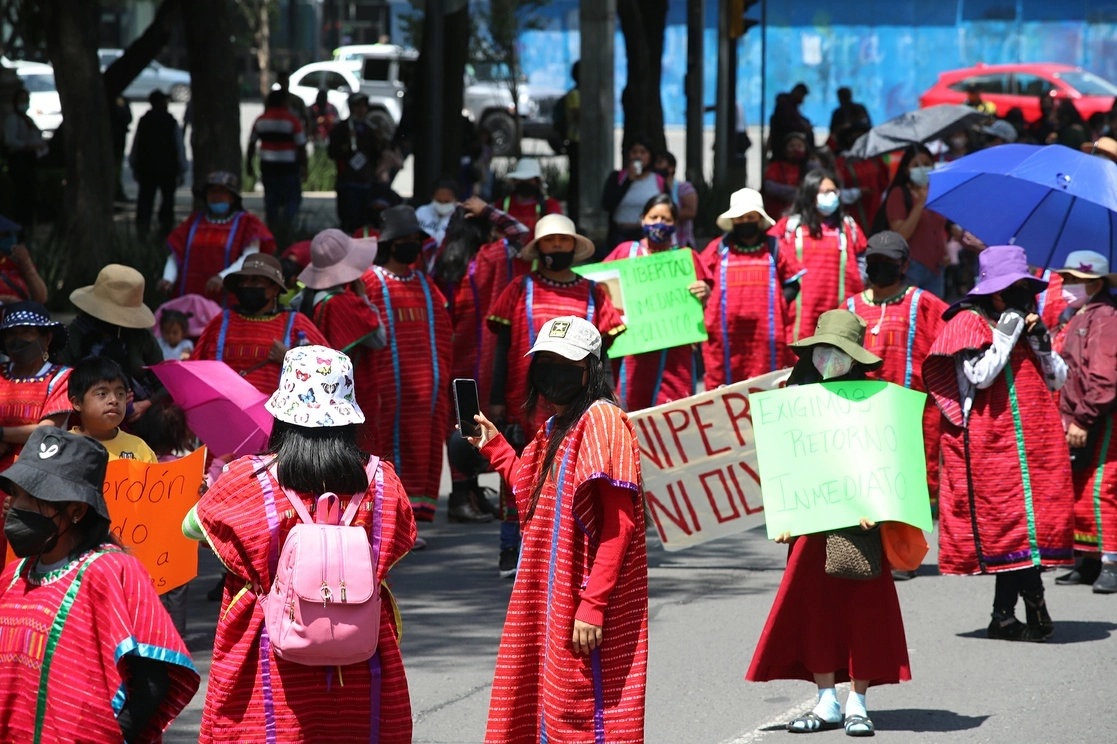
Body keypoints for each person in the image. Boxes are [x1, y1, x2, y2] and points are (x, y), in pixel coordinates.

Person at [183, 346, 416, 743]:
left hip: (266, 645)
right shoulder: (382, 480)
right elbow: (399, 541)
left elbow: (192, 528)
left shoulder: (246, 479)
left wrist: (211, 490)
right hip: (360, 646)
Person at [465, 315, 648, 743]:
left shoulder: (603, 420)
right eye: (544, 362)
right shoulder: (554, 428)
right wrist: (494, 445)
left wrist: (593, 604)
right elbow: (531, 490)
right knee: (548, 706)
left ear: (591, 369)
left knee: (584, 712)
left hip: (580, 596)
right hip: (548, 597)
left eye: (564, 363)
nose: (552, 373)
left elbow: (619, 525)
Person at [747, 310, 909, 737]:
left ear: (855, 358)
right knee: (813, 611)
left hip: (861, 526)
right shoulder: (792, 395)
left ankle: (858, 702)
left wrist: (881, 505)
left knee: (864, 612)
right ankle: (826, 702)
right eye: (824, 349)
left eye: (839, 351)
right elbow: (780, 461)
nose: (829, 357)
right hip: (806, 524)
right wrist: (781, 512)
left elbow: (893, 462)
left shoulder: (877, 399)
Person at [0, 427, 199, 742]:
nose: (14, 505)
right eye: (16, 491)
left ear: (77, 510)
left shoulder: (113, 571)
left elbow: (151, 684)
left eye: (33, 497)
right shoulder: (12, 577)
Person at [923, 245, 1073, 641]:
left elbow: (1058, 379)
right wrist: (1006, 333)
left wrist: (1041, 342)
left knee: (1034, 527)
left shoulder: (1028, 323)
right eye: (1016, 287)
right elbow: (981, 374)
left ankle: (1003, 615)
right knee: (1008, 526)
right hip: (990, 446)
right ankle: (1033, 600)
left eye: (1027, 286)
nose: (1025, 294)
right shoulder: (967, 322)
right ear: (994, 291)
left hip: (1037, 442)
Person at [488, 215, 626, 576]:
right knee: (522, 471)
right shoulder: (519, 288)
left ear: (574, 247)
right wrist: (496, 398)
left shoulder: (595, 292)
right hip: (528, 400)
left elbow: (604, 353)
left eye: (564, 242)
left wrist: (609, 395)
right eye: (550, 242)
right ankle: (510, 547)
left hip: (580, 404)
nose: (557, 248)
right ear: (539, 248)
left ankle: (567, 555)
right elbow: (502, 348)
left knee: (576, 477)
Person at [844, 231, 948, 572]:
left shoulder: (923, 303)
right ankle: (867, 553)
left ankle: (902, 557)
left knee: (902, 484)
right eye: (873, 262)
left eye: (887, 263)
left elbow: (956, 334)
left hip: (910, 414)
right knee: (865, 481)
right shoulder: (850, 307)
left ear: (903, 265)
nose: (879, 268)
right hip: (859, 415)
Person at [437, 197, 531, 522]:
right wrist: (490, 210)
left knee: (462, 422)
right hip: (485, 355)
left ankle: (469, 495)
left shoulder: (441, 261)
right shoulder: (491, 257)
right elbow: (522, 234)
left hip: (453, 357)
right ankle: (462, 499)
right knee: (479, 423)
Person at [363, 205, 453, 533]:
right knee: (385, 452)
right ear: (389, 243)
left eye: (416, 239)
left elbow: (443, 332)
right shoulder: (368, 283)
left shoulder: (426, 284)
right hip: (385, 396)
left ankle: (410, 521)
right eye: (405, 239)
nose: (412, 245)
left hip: (426, 395)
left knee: (423, 452)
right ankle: (389, 523)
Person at [1051, 251, 1117, 593]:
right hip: (1081, 415)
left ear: (1094, 283)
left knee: (1101, 488)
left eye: (1074, 280)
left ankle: (1111, 561)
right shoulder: (1078, 315)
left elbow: (1105, 377)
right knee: (1080, 488)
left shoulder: (1105, 317)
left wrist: (1084, 418)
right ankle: (1089, 561)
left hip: (1101, 417)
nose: (1067, 286)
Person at [605, 194, 710, 410]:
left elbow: (702, 302)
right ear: (642, 219)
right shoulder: (625, 252)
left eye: (666, 219)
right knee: (632, 410)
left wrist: (704, 292)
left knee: (674, 413)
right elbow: (603, 290)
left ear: (676, 224)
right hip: (634, 352)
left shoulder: (685, 258)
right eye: (653, 217)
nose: (659, 224)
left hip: (675, 354)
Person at [701, 189, 805, 387]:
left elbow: (793, 284)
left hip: (766, 337)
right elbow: (701, 279)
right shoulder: (718, 248)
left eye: (750, 216)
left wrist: (774, 305)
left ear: (759, 219)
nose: (745, 221)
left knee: (766, 385)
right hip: (726, 337)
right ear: (733, 221)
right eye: (740, 217)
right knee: (725, 390)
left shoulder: (776, 247)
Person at [297, 228, 385, 455]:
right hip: (347, 394)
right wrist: (363, 297)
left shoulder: (302, 299)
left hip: (312, 392)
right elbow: (380, 339)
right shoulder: (345, 303)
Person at [193, 253, 328, 396]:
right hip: (223, 412)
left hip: (276, 416)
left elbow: (331, 371)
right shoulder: (221, 322)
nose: (246, 286)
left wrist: (290, 359)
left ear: (274, 289)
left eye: (255, 281)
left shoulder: (296, 322)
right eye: (243, 281)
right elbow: (197, 367)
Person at [0, 302, 72, 557]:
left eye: (26, 332)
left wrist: (3, 434)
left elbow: (47, 430)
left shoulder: (61, 377)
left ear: (47, 337)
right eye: (10, 333)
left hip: (36, 483)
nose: (17, 339)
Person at [773, 169, 866, 344]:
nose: (830, 196)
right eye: (824, 192)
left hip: (841, 311)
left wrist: (860, 279)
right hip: (801, 313)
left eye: (833, 192)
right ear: (810, 194)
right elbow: (771, 257)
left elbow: (862, 258)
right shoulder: (790, 226)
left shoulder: (848, 226)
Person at [63, 265, 163, 423]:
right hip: (81, 421)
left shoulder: (142, 337)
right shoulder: (76, 334)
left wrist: (143, 405)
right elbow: (59, 382)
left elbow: (164, 385)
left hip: (136, 425)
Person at [161, 171, 276, 303]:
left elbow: (249, 258)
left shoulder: (247, 224)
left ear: (232, 197)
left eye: (222, 192)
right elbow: (176, 255)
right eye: (212, 192)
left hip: (227, 296)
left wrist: (223, 277)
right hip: (190, 294)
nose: (216, 196)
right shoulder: (193, 222)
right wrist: (168, 278)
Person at [883, 145, 957, 298]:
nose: (922, 169)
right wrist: (919, 204)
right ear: (906, 170)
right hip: (911, 267)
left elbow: (938, 227)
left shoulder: (936, 192)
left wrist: (944, 251)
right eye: (916, 165)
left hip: (937, 268)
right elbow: (901, 234)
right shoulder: (899, 194)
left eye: (926, 164)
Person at [68, 356, 158, 463]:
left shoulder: (140, 448)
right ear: (77, 403)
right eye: (102, 394)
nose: (114, 400)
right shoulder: (63, 447)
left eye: (120, 394)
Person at [247, 89, 309, 231]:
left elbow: (251, 144)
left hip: (268, 166)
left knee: (271, 199)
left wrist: (249, 164)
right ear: (284, 102)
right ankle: (287, 227)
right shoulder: (292, 120)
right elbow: (301, 147)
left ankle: (273, 228)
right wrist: (305, 167)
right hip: (289, 167)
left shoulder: (261, 120)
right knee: (292, 198)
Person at [130, 90, 186, 237]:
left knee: (146, 203)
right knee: (166, 203)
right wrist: (182, 168)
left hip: (148, 170)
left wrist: (134, 165)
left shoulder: (145, 121)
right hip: (166, 170)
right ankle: (164, 231)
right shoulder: (170, 122)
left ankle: (144, 231)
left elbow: (136, 145)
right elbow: (179, 147)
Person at [329, 93, 385, 234]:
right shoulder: (341, 128)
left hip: (365, 182)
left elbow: (376, 155)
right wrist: (346, 145)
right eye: (357, 106)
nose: (361, 110)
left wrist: (379, 141)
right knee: (349, 219)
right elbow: (332, 152)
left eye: (363, 106)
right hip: (347, 182)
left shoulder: (369, 129)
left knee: (363, 220)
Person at [601, 136, 666, 256]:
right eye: (634, 152)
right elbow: (607, 204)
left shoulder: (658, 180)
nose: (638, 156)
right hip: (619, 235)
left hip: (646, 236)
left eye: (643, 152)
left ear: (650, 156)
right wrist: (628, 180)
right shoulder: (617, 178)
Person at [3, 87, 48, 233]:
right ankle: (20, 229)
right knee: (23, 195)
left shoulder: (28, 119)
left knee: (30, 195)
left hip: (30, 160)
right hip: (19, 160)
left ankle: (27, 227)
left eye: (26, 100)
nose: (25, 103)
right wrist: (28, 146)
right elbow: (10, 141)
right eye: (22, 100)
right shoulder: (12, 119)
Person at [501, 157, 563, 233]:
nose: (524, 183)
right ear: (514, 181)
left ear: (537, 182)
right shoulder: (502, 204)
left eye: (529, 180)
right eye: (521, 179)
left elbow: (555, 231)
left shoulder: (550, 205)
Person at [653, 151, 699, 248]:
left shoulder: (684, 188)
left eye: (660, 163)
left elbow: (691, 212)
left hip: (682, 244)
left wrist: (663, 216)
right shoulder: (653, 188)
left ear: (671, 168)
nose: (656, 167)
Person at [762, 132, 811, 220]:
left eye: (799, 146)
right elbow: (770, 187)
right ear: (785, 149)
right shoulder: (775, 166)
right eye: (791, 146)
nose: (795, 149)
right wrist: (798, 193)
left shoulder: (811, 168)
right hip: (776, 216)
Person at [0, 215, 47, 303]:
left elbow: (41, 298)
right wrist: (6, 301)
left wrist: (27, 264)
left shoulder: (13, 265)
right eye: (5, 235)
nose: (11, 239)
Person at [768, 83, 814, 156]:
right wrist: (803, 127)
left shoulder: (792, 106)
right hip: (782, 143)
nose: (802, 100)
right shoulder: (784, 105)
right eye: (802, 96)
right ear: (797, 92)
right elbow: (786, 124)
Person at [414, 176, 460, 246]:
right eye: (439, 201)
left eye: (447, 201)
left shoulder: (459, 216)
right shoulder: (421, 212)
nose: (442, 204)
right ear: (432, 197)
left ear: (455, 199)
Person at [562, 61, 581, 222]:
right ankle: (574, 216)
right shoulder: (575, 94)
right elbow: (578, 116)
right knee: (575, 183)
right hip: (576, 142)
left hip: (585, 145)